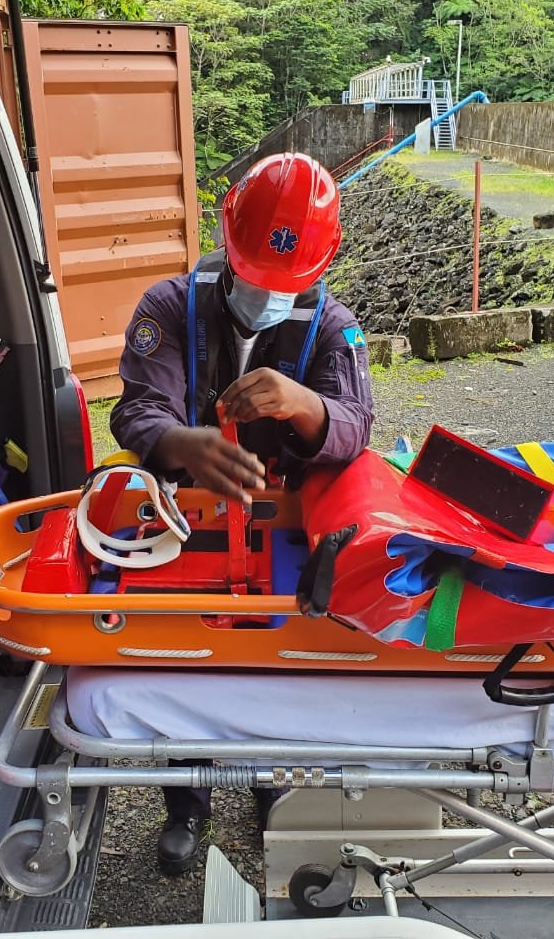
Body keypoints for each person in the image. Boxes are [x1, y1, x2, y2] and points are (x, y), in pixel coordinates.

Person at [109, 152, 375, 876]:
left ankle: (270, 787)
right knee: (188, 653)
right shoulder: (169, 307)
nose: (266, 295)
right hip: (188, 524)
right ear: (227, 243)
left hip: (281, 528)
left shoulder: (330, 327)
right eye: (254, 278)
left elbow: (356, 426)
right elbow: (137, 407)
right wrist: (179, 443)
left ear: (323, 265)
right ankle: (186, 799)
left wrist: (305, 405)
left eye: (286, 284)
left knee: (276, 656)